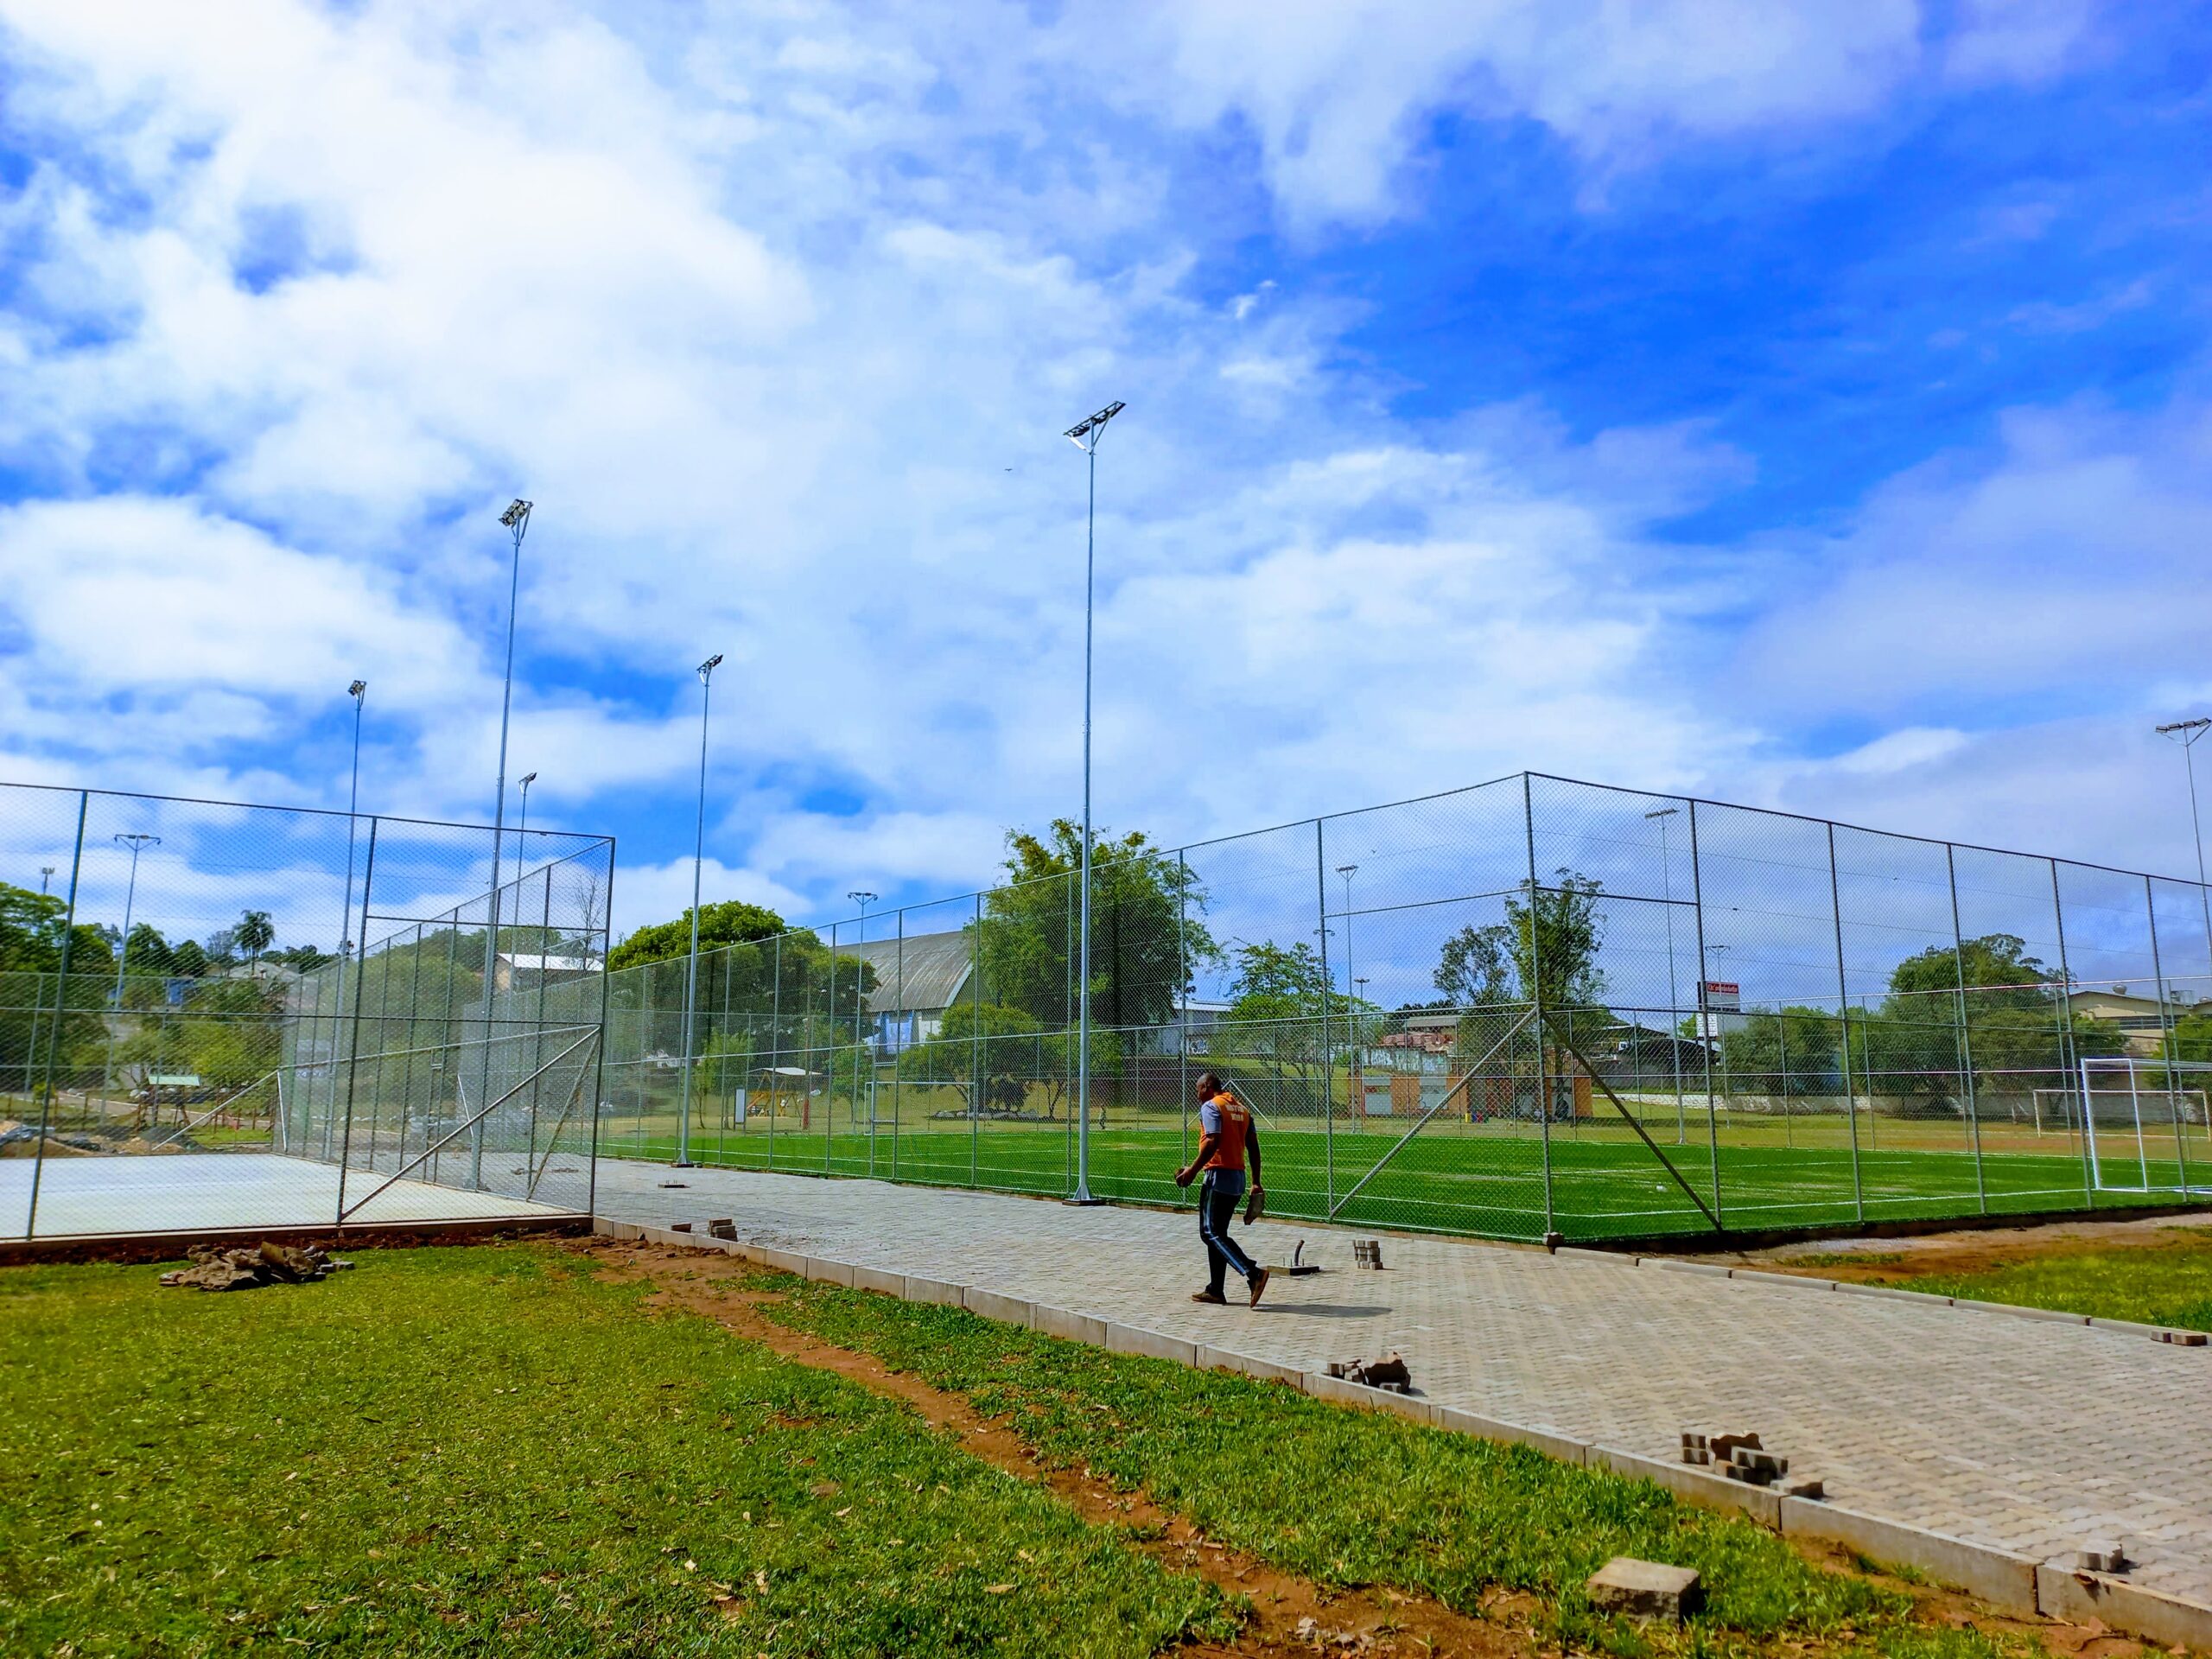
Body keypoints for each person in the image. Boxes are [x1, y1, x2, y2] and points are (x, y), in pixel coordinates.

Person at [1174, 1072, 1270, 1306]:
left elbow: (1212, 1142)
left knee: (1209, 1232)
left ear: (1207, 1087)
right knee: (1218, 1234)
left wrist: (1193, 1171)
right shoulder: (1242, 1110)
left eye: (1198, 1089)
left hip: (1217, 1176)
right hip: (1237, 1179)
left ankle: (1253, 1273)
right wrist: (1256, 1182)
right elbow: (1253, 1147)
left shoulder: (1211, 1106)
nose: (1197, 1095)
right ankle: (1216, 1289)